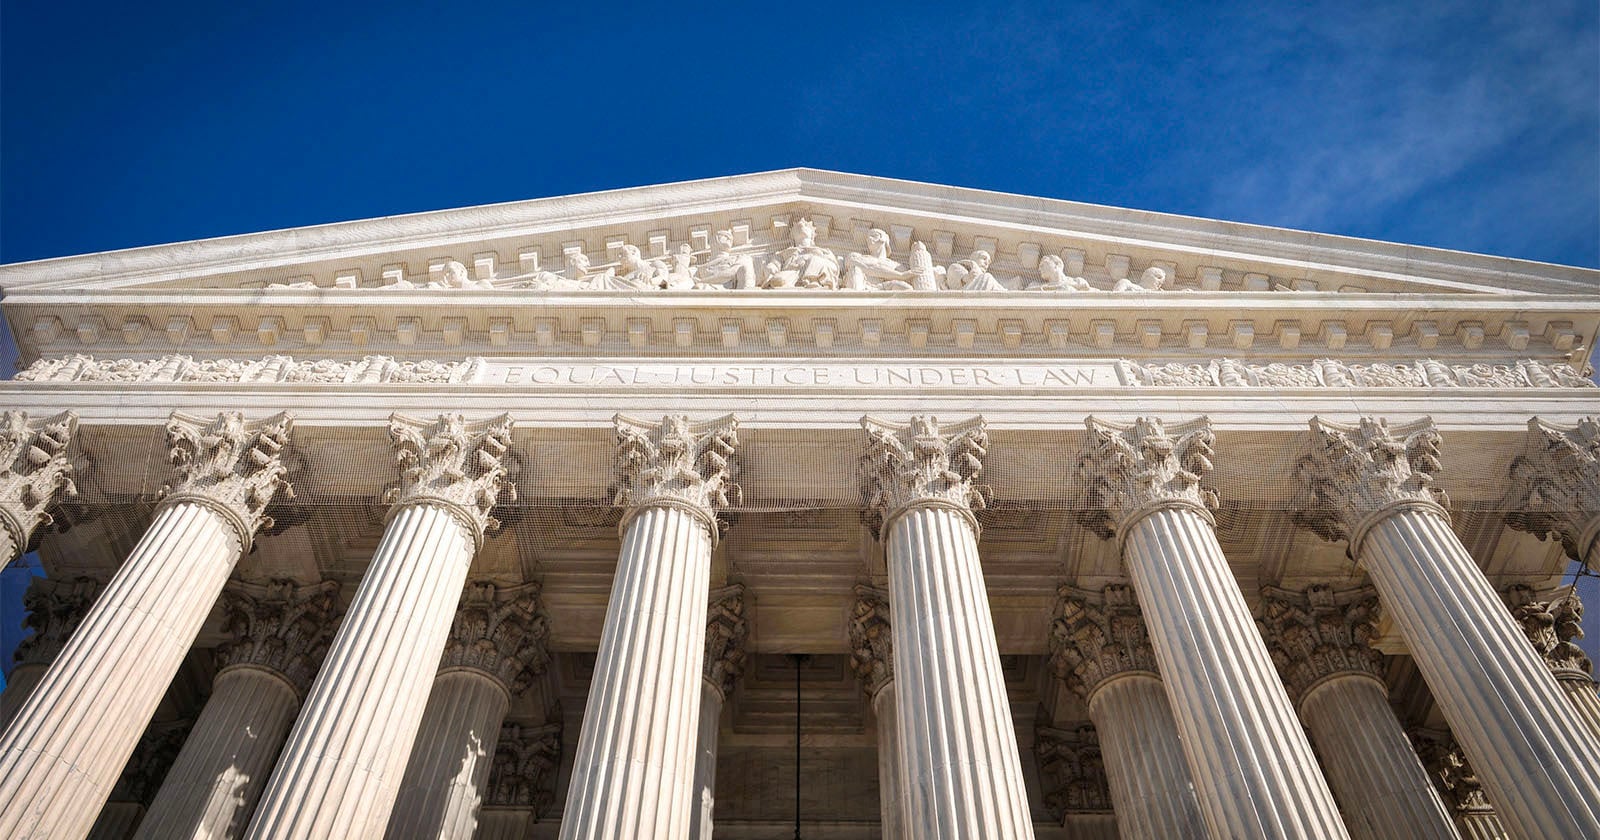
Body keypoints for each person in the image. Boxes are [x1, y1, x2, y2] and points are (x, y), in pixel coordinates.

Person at [762, 217, 840, 289]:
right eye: (798, 226)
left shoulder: (824, 252)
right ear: (792, 235)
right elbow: (774, 264)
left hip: (816, 274)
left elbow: (833, 266)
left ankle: (812, 280)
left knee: (815, 259)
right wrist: (771, 268)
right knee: (779, 281)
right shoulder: (783, 253)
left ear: (812, 236)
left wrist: (817, 263)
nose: (802, 223)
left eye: (806, 225)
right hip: (791, 274)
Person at [842, 228, 914, 291]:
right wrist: (900, 275)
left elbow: (908, 282)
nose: (869, 239)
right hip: (862, 288)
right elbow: (872, 267)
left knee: (906, 288)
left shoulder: (896, 265)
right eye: (868, 237)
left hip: (882, 288)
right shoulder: (860, 258)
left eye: (874, 236)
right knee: (855, 269)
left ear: (883, 239)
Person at [1028, 254, 1093, 291]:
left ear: (1056, 264)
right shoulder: (1037, 286)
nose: (1039, 269)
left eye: (1043, 265)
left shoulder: (1078, 281)